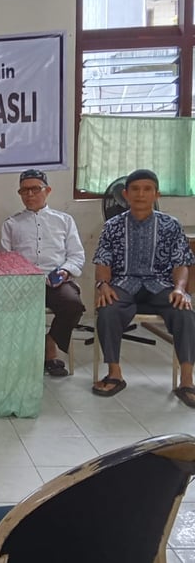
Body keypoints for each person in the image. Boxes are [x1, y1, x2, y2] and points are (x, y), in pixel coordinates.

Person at [93, 169, 195, 407]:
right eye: (135, 189)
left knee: (185, 312)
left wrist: (180, 289)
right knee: (107, 310)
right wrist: (103, 285)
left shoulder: (171, 225)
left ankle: (187, 380)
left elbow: (181, 263)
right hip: (123, 284)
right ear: (125, 194)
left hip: (160, 285)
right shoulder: (112, 226)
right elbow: (103, 261)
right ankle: (114, 374)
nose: (141, 194)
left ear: (156, 194)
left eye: (147, 189)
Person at [0, 169, 86, 377]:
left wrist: (64, 272)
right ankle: (20, 357)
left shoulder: (64, 220)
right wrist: (20, 275)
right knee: (5, 310)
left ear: (47, 191)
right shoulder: (11, 224)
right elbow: (3, 259)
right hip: (23, 282)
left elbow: (77, 255)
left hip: (57, 281)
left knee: (73, 305)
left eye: (35, 189)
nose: (29, 194)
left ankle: (50, 344)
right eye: (24, 190)